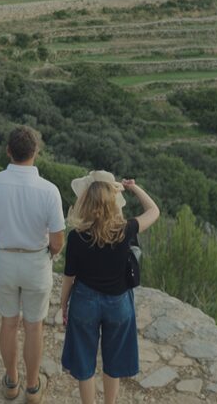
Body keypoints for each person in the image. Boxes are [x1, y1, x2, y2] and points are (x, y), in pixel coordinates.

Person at [0, 125, 66, 403]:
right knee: (34, 326)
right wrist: (48, 255)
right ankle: (33, 388)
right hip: (36, 263)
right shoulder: (49, 190)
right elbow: (58, 241)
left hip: (4, 259)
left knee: (9, 323)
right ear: (36, 152)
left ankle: (11, 382)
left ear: (8, 151)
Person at [59, 171, 160, 404]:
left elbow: (69, 276)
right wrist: (134, 188)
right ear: (113, 203)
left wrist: (64, 303)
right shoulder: (125, 230)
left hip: (85, 301)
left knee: (84, 361)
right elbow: (154, 211)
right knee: (113, 362)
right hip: (118, 304)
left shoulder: (76, 237)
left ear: (87, 202)